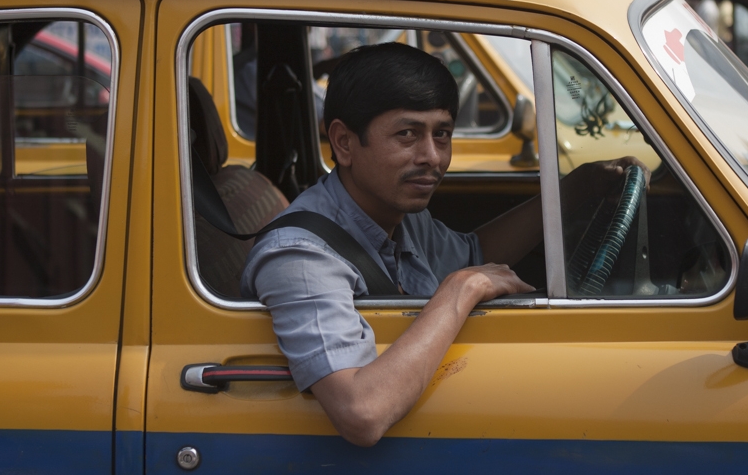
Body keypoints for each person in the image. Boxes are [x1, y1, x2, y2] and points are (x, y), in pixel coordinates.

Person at [241, 43, 645, 446]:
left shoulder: (401, 214)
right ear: (344, 143)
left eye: (443, 134)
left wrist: (576, 189)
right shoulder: (301, 255)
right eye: (407, 135)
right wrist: (462, 288)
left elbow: (475, 253)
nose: (432, 157)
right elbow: (362, 412)